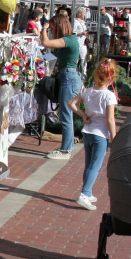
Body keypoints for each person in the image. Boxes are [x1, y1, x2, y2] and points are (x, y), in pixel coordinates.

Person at [68, 58, 118, 211]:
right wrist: (114, 137)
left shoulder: (88, 91)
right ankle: (84, 194)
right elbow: (110, 119)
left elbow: (71, 103)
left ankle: (87, 192)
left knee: (89, 165)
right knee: (95, 166)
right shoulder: (109, 96)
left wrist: (83, 115)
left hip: (88, 133)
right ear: (112, 77)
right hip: (100, 135)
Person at [40, 14, 82, 160]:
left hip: (69, 78)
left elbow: (46, 43)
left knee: (66, 115)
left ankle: (65, 150)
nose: (51, 31)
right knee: (66, 114)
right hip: (67, 76)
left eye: (53, 28)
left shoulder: (69, 40)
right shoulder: (70, 40)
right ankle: (66, 148)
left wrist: (43, 28)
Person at [73, 7, 89, 75]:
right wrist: (82, 33)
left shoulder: (83, 22)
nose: (84, 15)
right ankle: (74, 71)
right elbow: (73, 32)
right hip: (77, 42)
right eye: (84, 13)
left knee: (84, 58)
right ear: (79, 13)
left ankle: (84, 72)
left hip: (83, 43)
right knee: (75, 57)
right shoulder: (75, 22)